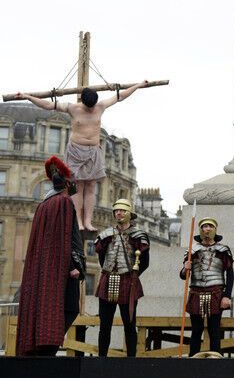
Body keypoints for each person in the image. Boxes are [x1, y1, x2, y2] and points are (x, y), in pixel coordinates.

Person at [16, 82, 149, 231]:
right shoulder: (73, 108)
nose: (91, 109)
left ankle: (88, 221)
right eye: (88, 107)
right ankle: (78, 221)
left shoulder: (100, 106)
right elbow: (47, 105)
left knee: (91, 186)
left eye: (93, 106)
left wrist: (137, 86)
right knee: (78, 186)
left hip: (93, 151)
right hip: (76, 150)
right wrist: (28, 96)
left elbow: (120, 96)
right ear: (83, 102)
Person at [16, 156, 85, 356]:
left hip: (46, 271)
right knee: (70, 308)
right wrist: (75, 266)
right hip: (62, 271)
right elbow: (67, 237)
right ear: (68, 182)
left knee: (49, 308)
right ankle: (48, 349)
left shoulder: (44, 205)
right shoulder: (64, 203)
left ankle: (41, 346)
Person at [94, 198, 150, 357]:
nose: (118, 213)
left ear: (129, 213)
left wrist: (133, 276)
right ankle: (102, 359)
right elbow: (102, 258)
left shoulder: (139, 235)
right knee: (105, 325)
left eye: (122, 210)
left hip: (128, 282)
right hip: (108, 279)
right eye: (116, 210)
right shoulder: (106, 235)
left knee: (129, 324)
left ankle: (130, 360)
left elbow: (145, 262)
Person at [180, 217, 234, 357]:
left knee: (214, 329)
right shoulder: (192, 250)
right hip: (196, 291)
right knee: (196, 330)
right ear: (200, 229)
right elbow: (182, 276)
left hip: (216, 292)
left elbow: (230, 274)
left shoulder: (223, 249)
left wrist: (227, 296)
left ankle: (216, 362)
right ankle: (193, 360)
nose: (207, 229)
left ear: (215, 229)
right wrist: (186, 269)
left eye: (210, 226)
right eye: (204, 226)